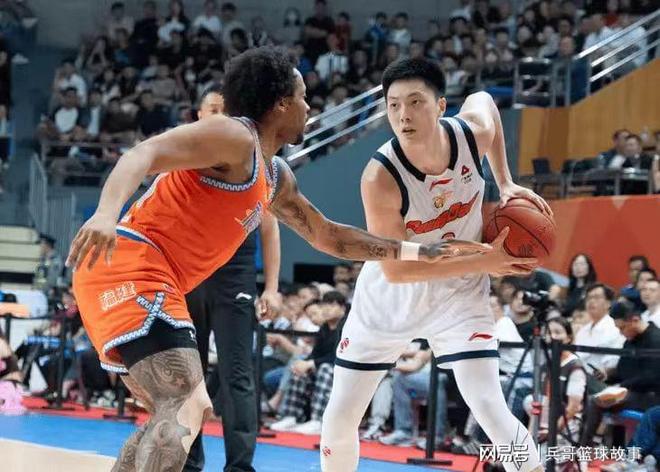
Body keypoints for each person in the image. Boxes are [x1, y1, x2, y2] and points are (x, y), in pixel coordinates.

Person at [66, 47, 486, 472]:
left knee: (175, 414)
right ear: (282, 104)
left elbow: (329, 236)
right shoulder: (232, 137)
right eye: (303, 97)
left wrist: (416, 249)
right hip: (131, 262)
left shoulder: (274, 175)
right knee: (186, 405)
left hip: (152, 275)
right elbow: (143, 153)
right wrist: (105, 214)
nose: (309, 106)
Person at [320, 57, 550, 472]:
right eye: (393, 105)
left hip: (460, 296)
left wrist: (505, 181)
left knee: (489, 405)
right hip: (391, 299)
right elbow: (397, 270)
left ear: (441, 105)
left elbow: (485, 101)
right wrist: (485, 260)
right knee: (340, 417)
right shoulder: (380, 177)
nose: (403, 115)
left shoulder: (470, 136)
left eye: (415, 102)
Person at [181, 85, 280, 472]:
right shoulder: (183, 158)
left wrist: (271, 287)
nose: (220, 116)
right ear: (199, 115)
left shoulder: (254, 159)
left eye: (227, 109)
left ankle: (240, 466)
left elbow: (269, 227)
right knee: (189, 376)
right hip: (191, 275)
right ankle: (189, 463)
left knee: (237, 373)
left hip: (235, 277)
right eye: (213, 109)